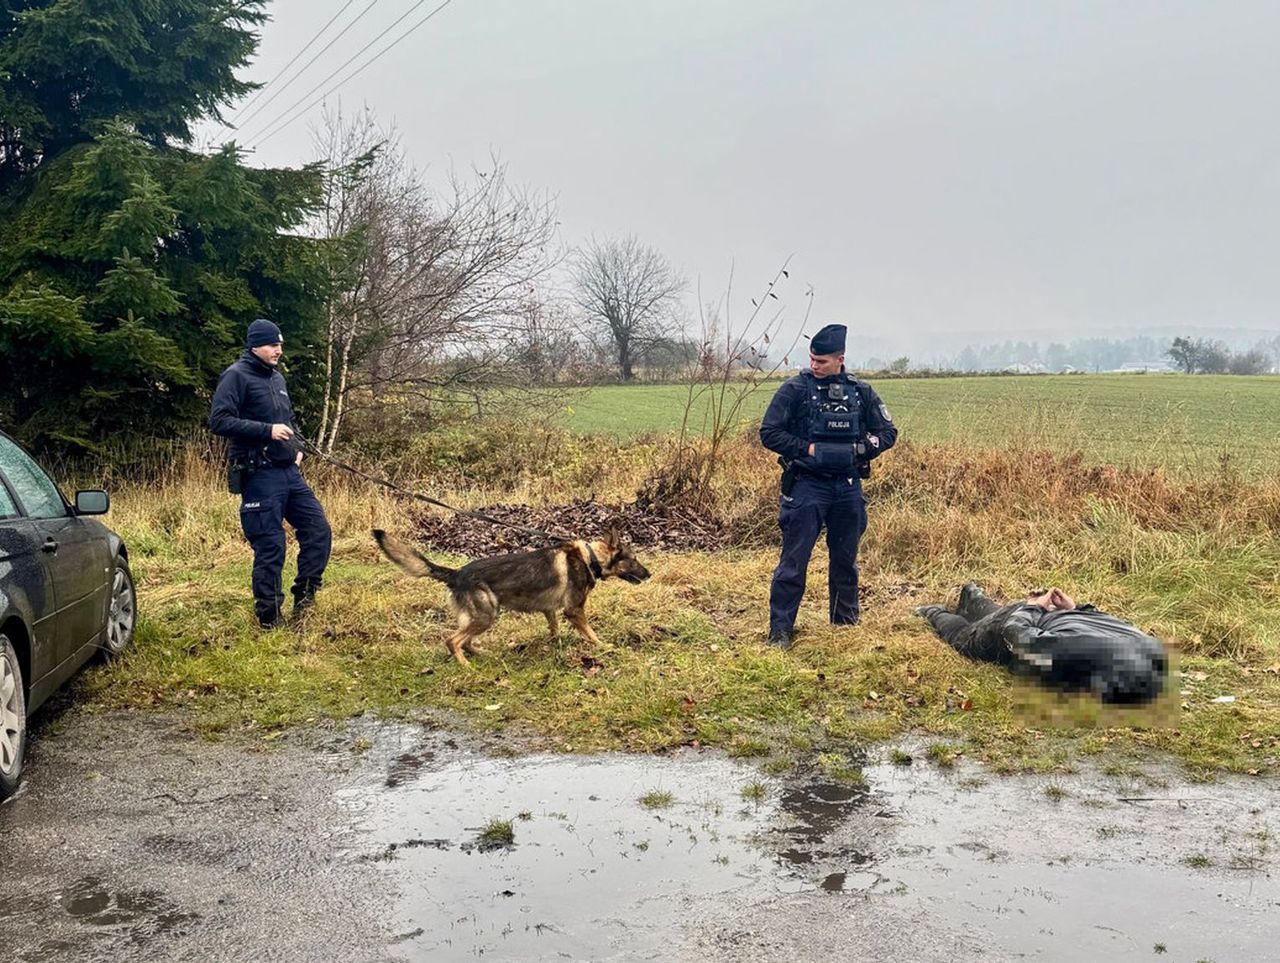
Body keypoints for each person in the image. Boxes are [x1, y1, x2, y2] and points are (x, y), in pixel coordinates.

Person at [759, 323, 897, 649]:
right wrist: (807, 449)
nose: (815, 366)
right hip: (807, 486)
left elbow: (888, 432)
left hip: (847, 488)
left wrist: (861, 449)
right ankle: (780, 632)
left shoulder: (861, 393)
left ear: (840, 359)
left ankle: (844, 627)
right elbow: (769, 432)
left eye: (822, 361)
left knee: (845, 561)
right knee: (793, 563)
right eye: (812, 360)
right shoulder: (794, 390)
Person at [209, 319, 332, 628]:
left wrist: (299, 447)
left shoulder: (277, 379)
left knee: (318, 531)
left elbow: (289, 421)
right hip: (258, 474)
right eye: (273, 345)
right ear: (255, 346)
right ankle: (269, 617)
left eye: (280, 345)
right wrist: (267, 430)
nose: (279, 350)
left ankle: (305, 599)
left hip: (289, 472)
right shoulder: (236, 376)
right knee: (271, 545)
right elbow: (219, 420)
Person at [915, 584, 1168, 703]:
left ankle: (973, 595)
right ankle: (933, 612)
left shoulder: (1142, 643)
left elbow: (1107, 620)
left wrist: (1075, 609)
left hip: (1054, 615)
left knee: (996, 616)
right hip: (1028, 620)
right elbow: (1015, 633)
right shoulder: (1074, 655)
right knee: (964, 638)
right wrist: (1031, 608)